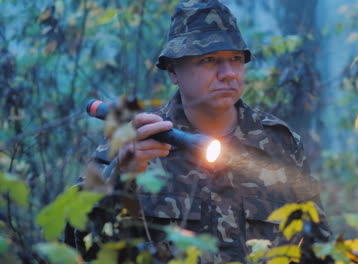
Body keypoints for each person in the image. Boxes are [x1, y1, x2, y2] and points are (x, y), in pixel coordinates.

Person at [74, 0, 331, 263]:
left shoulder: (279, 142)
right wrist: (121, 177)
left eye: (236, 59)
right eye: (209, 60)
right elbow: (80, 247)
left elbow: (317, 245)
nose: (228, 73)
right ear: (173, 70)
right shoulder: (136, 140)